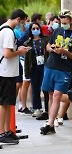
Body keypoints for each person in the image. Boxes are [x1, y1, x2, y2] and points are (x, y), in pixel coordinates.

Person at [40, 9, 72, 135]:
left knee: (58, 94)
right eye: (61, 22)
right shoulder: (58, 30)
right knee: (51, 94)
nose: (63, 24)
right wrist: (52, 49)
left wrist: (65, 52)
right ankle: (50, 123)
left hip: (65, 69)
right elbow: (47, 46)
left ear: (71, 20)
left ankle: (50, 123)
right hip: (51, 65)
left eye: (65, 22)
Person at [0, 9, 28, 144]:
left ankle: (7, 131)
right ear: (18, 19)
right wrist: (20, 51)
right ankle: (2, 132)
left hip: (8, 72)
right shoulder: (7, 32)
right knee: (4, 103)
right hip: (5, 72)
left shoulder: (4, 30)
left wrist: (18, 49)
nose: (22, 24)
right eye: (22, 22)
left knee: (8, 102)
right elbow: (7, 54)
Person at [24, 22, 49, 117]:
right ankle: (37, 108)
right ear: (30, 30)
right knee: (35, 88)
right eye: (33, 29)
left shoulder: (45, 40)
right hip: (34, 67)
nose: (35, 30)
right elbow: (27, 60)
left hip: (44, 65)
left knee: (45, 88)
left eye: (37, 28)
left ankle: (47, 108)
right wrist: (27, 72)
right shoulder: (28, 43)